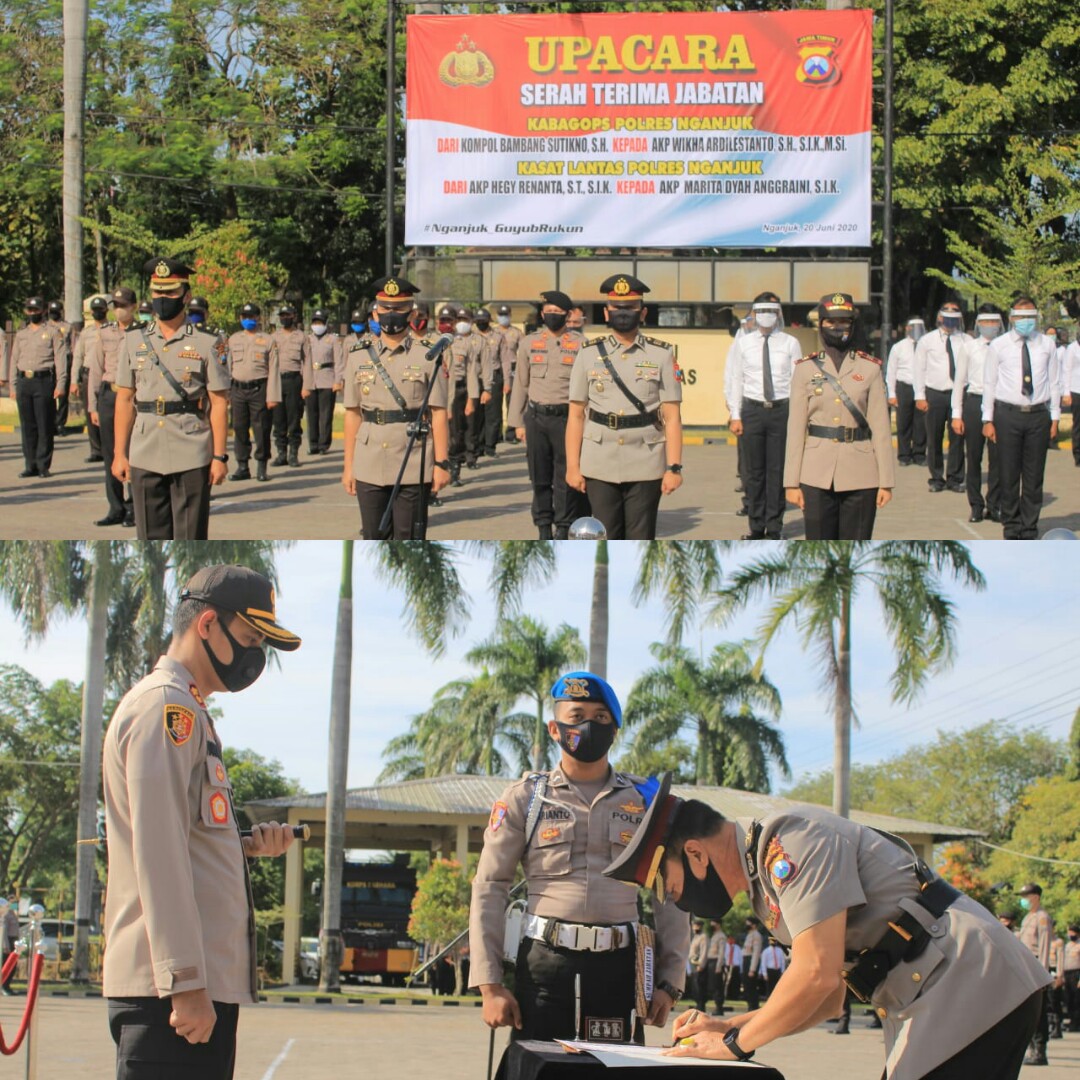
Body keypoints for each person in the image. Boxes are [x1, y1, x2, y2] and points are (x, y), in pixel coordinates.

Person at [605, 773, 1050, 1079]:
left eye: (668, 885)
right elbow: (830, 997)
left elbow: (816, 974)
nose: (674, 899)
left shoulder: (791, 838)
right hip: (941, 990)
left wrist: (733, 1047)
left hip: (968, 981)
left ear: (697, 854)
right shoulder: (766, 887)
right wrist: (733, 1026)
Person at [102, 564, 301, 1080]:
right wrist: (187, 982)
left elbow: (182, 836)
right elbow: (159, 853)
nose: (256, 655)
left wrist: (242, 847)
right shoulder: (167, 710)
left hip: (182, 992)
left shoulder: (188, 710)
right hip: (169, 997)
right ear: (207, 623)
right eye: (251, 637)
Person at [469, 672, 689, 1046]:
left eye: (601, 718)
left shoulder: (647, 802)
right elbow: (490, 887)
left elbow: (670, 893)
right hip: (544, 968)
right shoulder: (526, 798)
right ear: (555, 729)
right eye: (577, 716)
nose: (589, 726)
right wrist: (490, 986)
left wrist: (669, 980)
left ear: (615, 730)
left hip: (621, 970)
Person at [112, 257, 231, 539]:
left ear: (186, 295)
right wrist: (119, 454)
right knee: (149, 538)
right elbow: (125, 399)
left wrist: (219, 456)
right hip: (144, 450)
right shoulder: (133, 338)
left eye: (170, 292)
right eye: (157, 291)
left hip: (191, 450)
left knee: (190, 537)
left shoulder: (209, 340)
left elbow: (219, 402)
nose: (162, 298)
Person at [566, 274, 684, 540]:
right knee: (605, 536)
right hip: (599, 461)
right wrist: (573, 466)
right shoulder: (587, 354)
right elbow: (575, 415)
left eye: (630, 308)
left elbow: (672, 417)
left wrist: (674, 467)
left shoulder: (661, 354)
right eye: (617, 308)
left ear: (642, 313)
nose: (623, 313)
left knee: (641, 538)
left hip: (646, 460)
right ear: (606, 313)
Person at [341, 276, 451, 540]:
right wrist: (348, 466)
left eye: (399, 309)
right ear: (376, 312)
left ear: (411, 312)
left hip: (412, 459)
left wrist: (441, 463)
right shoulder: (358, 354)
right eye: (386, 309)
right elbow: (353, 413)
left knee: (409, 538)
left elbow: (438, 412)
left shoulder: (428, 354)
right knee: (372, 536)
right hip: (368, 460)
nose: (392, 315)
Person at [784, 293, 894, 539]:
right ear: (821, 324)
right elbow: (796, 429)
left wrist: (886, 480)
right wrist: (791, 482)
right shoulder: (804, 369)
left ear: (853, 325)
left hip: (862, 473)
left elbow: (881, 428)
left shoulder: (870, 368)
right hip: (815, 473)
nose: (837, 328)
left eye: (844, 321)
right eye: (831, 322)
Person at [506, 290, 588, 538]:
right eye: (548, 312)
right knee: (539, 476)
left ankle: (563, 527)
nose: (552, 316)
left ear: (568, 315)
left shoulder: (581, 345)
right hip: (536, 418)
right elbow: (520, 384)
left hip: (567, 420)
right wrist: (517, 423)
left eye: (557, 313)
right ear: (542, 314)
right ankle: (543, 527)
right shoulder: (529, 343)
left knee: (565, 477)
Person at [982, 298, 1061, 539]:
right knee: (1008, 474)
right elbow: (989, 382)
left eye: (1030, 316)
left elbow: (1055, 381)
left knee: (1034, 476)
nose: (1025, 321)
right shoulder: (999, 346)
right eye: (1021, 315)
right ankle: (1012, 525)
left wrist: (1055, 417)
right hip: (1007, 415)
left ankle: (1029, 528)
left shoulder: (1047, 344)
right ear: (1012, 317)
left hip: (1037, 415)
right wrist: (988, 419)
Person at [726, 292, 801, 539]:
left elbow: (797, 382)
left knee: (777, 471)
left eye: (771, 311)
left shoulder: (790, 343)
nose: (766, 316)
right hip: (752, 409)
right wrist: (735, 414)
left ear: (778, 314)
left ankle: (775, 527)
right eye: (761, 312)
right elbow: (736, 379)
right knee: (754, 472)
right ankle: (756, 527)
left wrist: (797, 417)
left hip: (781, 410)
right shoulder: (743, 343)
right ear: (754, 315)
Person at [86, 287, 138, 527]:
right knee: (111, 455)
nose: (119, 310)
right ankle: (115, 507)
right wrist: (93, 405)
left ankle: (135, 508)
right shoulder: (105, 333)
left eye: (123, 305)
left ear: (134, 307)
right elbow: (96, 369)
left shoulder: (144, 333)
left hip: (134, 399)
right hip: (109, 395)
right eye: (115, 306)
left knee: (134, 454)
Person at [2, 296, 69, 479]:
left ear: (43, 311)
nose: (33, 313)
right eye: (30, 310)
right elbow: (14, 360)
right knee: (27, 425)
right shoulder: (22, 334)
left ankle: (43, 465)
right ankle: (30, 464)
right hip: (25, 382)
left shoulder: (53, 332)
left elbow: (60, 360)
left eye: (36, 310)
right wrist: (13, 386)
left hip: (43, 381)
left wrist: (60, 384)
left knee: (44, 425)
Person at [951, 305, 1002, 523]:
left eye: (993, 322)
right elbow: (959, 381)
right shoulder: (969, 347)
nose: (989, 326)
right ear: (978, 323)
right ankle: (975, 505)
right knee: (973, 457)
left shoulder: (1004, 346)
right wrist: (956, 413)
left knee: (998, 458)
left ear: (999, 323)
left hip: (999, 404)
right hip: (974, 401)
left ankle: (995, 504)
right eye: (985, 322)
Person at [914, 301, 967, 493]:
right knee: (934, 438)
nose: (950, 319)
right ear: (939, 317)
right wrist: (919, 395)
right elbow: (919, 369)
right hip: (935, 393)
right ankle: (936, 478)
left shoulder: (966, 341)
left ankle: (955, 478)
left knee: (958, 438)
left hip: (958, 394)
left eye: (955, 315)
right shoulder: (927, 341)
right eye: (947, 314)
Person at [226, 303, 280, 483]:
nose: (249, 320)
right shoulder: (233, 339)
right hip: (238, 389)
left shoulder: (268, 340)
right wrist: (226, 393)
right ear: (241, 318)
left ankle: (262, 466)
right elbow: (227, 367)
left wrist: (272, 396)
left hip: (260, 388)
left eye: (252, 317)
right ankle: (242, 466)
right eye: (245, 317)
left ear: (259, 318)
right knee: (240, 428)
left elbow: (274, 369)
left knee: (262, 429)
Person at [1017, 883, 1055, 1065]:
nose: (1023, 899)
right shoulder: (1027, 918)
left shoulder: (1042, 918)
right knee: (1029, 1012)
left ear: (1036, 897)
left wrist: (1043, 973)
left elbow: (1045, 946)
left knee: (1039, 1013)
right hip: (1025, 968)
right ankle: (1032, 1049)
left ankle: (1040, 1052)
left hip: (1036, 968)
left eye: (1027, 895)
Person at [444, 305, 481, 486]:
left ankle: (455, 470)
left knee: (456, 433)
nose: (449, 323)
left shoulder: (465, 344)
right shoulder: (432, 341)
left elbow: (471, 373)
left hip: (459, 392)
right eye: (443, 320)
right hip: (437, 392)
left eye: (451, 320)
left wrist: (471, 400)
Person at [70, 295, 109, 464]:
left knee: (106, 412)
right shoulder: (86, 333)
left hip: (106, 375)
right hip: (88, 375)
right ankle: (96, 450)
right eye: (95, 310)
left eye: (100, 310)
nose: (97, 313)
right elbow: (77, 357)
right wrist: (73, 380)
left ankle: (109, 447)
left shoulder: (112, 330)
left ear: (106, 311)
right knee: (90, 410)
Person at [269, 305, 308, 468]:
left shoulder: (301, 337)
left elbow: (306, 362)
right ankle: (281, 454)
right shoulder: (273, 337)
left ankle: (293, 454)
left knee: (294, 418)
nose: (285, 318)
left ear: (294, 316)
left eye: (288, 315)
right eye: (282, 315)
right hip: (277, 380)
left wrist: (307, 386)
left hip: (294, 380)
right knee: (278, 420)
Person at [886, 317, 928, 467]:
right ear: (907, 329)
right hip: (904, 387)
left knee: (921, 423)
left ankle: (919, 454)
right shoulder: (899, 347)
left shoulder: (927, 345)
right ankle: (904, 455)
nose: (916, 330)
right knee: (903, 422)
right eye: (913, 326)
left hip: (922, 388)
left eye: (919, 326)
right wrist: (891, 394)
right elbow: (891, 372)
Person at [302, 309, 342, 456]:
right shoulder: (307, 339)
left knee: (325, 415)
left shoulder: (332, 340)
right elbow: (303, 362)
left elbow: (338, 362)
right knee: (311, 414)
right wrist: (304, 384)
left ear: (325, 324)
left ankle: (324, 444)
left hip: (327, 379)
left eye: (320, 322)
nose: (317, 325)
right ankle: (313, 444)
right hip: (311, 379)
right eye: (315, 322)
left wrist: (338, 381)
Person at [473, 306, 510, 458]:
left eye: (484, 320)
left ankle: (490, 446)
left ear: (489, 321)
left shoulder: (498, 336)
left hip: (495, 377)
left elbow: (505, 360)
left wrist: (507, 381)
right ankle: (477, 446)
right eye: (478, 320)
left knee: (493, 414)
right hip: (476, 378)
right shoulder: (471, 336)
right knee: (476, 414)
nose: (481, 323)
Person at [495, 304, 523, 443]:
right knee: (495, 402)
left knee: (511, 401)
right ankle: (497, 433)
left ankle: (511, 433)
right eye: (501, 315)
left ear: (510, 316)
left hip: (512, 368)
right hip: (496, 368)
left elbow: (523, 352)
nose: (503, 317)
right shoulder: (493, 332)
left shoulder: (517, 333)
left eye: (506, 315)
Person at [47, 300, 74, 435]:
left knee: (63, 396)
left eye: (56, 312)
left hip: (65, 362)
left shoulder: (68, 327)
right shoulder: (45, 327)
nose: (54, 314)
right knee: (50, 394)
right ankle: (50, 423)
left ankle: (60, 424)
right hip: (50, 363)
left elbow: (73, 345)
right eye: (52, 312)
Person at [1063, 329, 1080, 467]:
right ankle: (1078, 454)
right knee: (1078, 424)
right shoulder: (1073, 348)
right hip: (1076, 390)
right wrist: (1066, 392)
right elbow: (1066, 370)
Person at [741, 917, 764, 1011]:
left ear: (754, 925)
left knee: (751, 985)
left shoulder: (756, 935)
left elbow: (756, 953)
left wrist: (752, 969)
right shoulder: (749, 935)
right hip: (746, 960)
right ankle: (750, 1005)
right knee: (747, 985)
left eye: (748, 923)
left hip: (751, 961)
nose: (747, 925)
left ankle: (754, 1006)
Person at [689, 920, 712, 1013]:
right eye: (694, 926)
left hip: (699, 964)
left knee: (700, 985)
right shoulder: (695, 937)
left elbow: (704, 952)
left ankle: (701, 1006)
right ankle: (698, 1004)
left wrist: (701, 964)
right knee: (695, 985)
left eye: (697, 926)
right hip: (693, 963)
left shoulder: (703, 937)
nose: (695, 928)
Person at [0, 898, 18, 995]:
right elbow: (4, 931)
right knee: (6, 965)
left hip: (13, 941)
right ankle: (4, 986)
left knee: (13, 966)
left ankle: (7, 986)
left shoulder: (13, 913)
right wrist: (5, 945)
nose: (14, 903)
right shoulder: (4, 914)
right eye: (12, 901)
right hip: (6, 941)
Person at [1063, 924, 1080, 1033]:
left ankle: (1076, 1023)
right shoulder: (1067, 945)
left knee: (1076, 1000)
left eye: (1073, 932)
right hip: (1067, 974)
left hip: (1077, 973)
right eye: (1069, 932)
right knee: (1068, 999)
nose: (1071, 934)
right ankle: (1071, 1021)